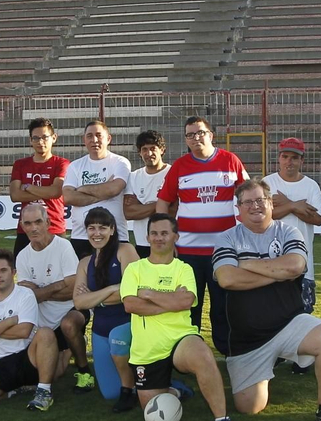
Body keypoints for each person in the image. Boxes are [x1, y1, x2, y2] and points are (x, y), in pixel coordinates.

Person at [213, 179, 321, 421]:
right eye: (248, 202)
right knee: (249, 407)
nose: (255, 206)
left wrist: (246, 263)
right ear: (238, 209)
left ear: (270, 203)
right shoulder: (227, 237)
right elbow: (228, 279)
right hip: (248, 339)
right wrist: (277, 273)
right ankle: (264, 371)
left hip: (289, 324)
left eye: (260, 200)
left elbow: (295, 266)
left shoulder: (288, 232)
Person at [121, 214, 237, 421]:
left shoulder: (183, 268)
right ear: (147, 237)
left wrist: (150, 295)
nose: (159, 238)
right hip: (147, 349)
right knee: (151, 413)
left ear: (176, 236)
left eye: (164, 233)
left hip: (180, 338)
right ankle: (175, 391)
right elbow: (131, 305)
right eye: (154, 233)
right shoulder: (135, 269)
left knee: (203, 355)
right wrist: (170, 300)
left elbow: (185, 302)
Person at [155, 115, 248, 355]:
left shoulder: (231, 161)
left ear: (211, 135)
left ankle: (228, 352)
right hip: (188, 251)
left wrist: (244, 235)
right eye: (190, 135)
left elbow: (247, 196)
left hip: (223, 251)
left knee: (223, 307)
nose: (196, 138)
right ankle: (189, 352)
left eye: (200, 133)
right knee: (188, 306)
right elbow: (163, 202)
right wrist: (167, 237)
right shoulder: (179, 166)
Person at [14, 202, 89, 407]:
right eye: (28, 223)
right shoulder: (22, 256)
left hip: (72, 309)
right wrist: (58, 286)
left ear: (48, 222)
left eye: (38, 222)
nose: (34, 228)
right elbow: (28, 296)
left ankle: (84, 371)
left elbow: (73, 289)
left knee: (68, 324)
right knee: (54, 375)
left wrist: (40, 291)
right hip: (43, 320)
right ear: (22, 226)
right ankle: (65, 350)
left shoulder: (63, 246)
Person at [72, 206, 140, 410]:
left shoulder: (125, 251)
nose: (97, 233)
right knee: (110, 393)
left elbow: (130, 293)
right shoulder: (85, 262)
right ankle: (142, 384)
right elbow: (78, 302)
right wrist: (111, 289)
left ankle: (147, 387)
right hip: (100, 328)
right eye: (91, 228)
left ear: (112, 230)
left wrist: (93, 298)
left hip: (126, 322)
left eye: (102, 227)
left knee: (117, 341)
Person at [0, 250, 52, 405]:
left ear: (13, 272)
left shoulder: (26, 295)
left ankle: (44, 392)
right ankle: (14, 390)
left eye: (3, 270)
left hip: (25, 357)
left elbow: (24, 331)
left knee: (46, 334)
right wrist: (10, 321)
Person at [262, 136, 321, 315]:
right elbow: (264, 216)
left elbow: (318, 219)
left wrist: (286, 203)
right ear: (279, 158)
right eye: (285, 157)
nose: (289, 161)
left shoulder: (310, 186)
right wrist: (294, 205)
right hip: (271, 262)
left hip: (304, 265)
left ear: (301, 160)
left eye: (294, 157)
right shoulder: (268, 183)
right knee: (271, 317)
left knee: (302, 317)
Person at [63, 120, 132, 258]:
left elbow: (114, 189)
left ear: (108, 138)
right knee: (83, 278)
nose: (94, 140)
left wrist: (82, 189)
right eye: (89, 136)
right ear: (84, 140)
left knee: (114, 279)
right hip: (81, 237)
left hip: (115, 235)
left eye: (99, 135)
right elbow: (68, 197)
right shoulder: (75, 166)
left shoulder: (120, 162)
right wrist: (103, 191)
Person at [9, 117, 69, 250]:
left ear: (54, 138)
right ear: (30, 140)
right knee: (22, 269)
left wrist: (28, 187)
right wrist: (45, 192)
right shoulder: (20, 164)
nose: (40, 142)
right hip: (26, 229)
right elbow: (15, 195)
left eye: (44, 137)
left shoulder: (62, 163)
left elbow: (56, 192)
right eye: (35, 138)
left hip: (54, 227)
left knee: (58, 270)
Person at [121, 129, 170, 257]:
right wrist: (162, 203)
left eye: (153, 148)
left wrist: (141, 205)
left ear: (162, 150)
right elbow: (129, 212)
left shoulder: (172, 173)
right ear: (139, 153)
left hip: (168, 243)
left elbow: (174, 210)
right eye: (144, 149)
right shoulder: (134, 177)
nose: (149, 153)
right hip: (142, 243)